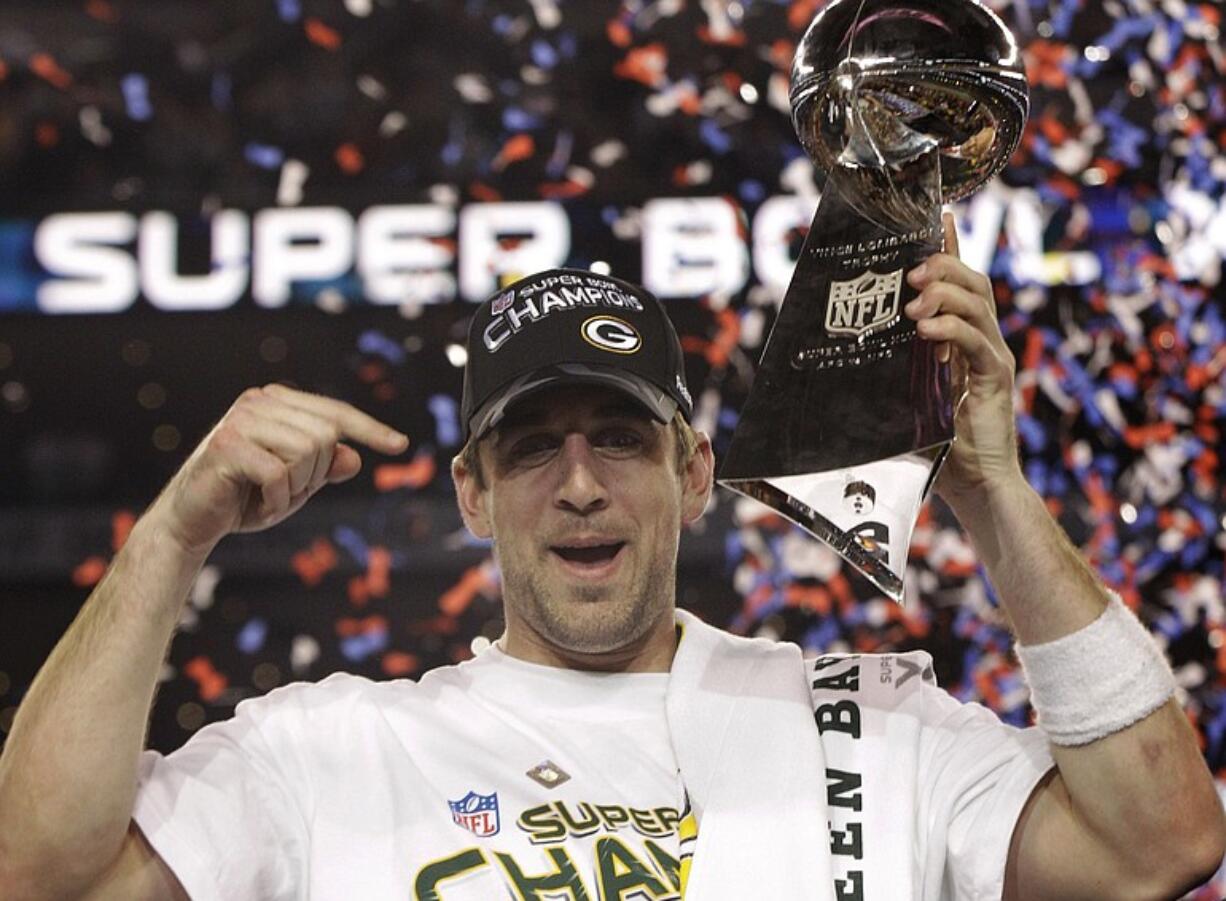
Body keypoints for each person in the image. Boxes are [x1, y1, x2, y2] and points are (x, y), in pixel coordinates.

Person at [0, 216, 1223, 900]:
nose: (580, 484)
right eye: (532, 449)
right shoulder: (325, 750)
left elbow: (1158, 843)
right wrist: (173, 532)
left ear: (693, 473)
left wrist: (991, 491)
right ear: (472, 496)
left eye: (621, 439)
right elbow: (35, 872)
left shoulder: (868, 725)